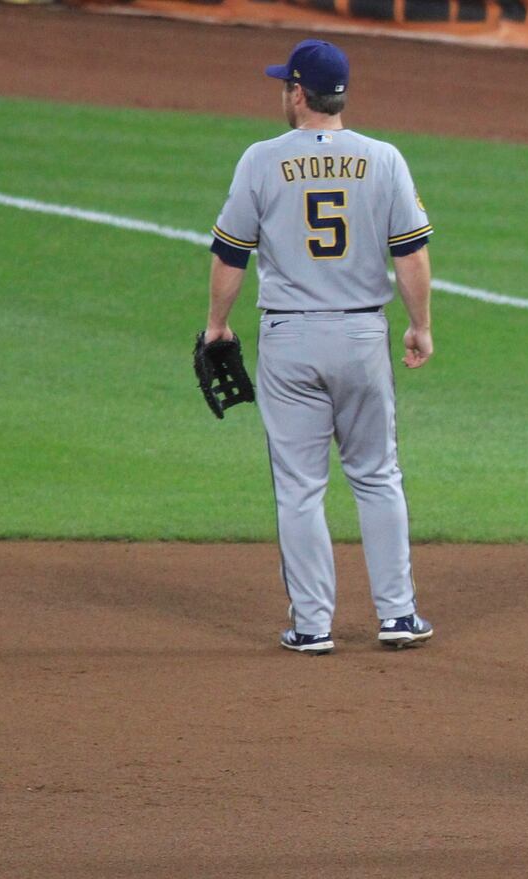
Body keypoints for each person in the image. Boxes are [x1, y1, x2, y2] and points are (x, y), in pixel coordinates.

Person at [205, 39, 436, 655]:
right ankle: (398, 615)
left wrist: (216, 325)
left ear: (299, 94)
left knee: (300, 487)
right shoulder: (383, 158)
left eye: (286, 85)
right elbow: (410, 253)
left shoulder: (260, 159)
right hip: (362, 334)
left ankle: (311, 626)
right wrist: (420, 325)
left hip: (289, 336)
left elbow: (231, 254)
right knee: (377, 475)